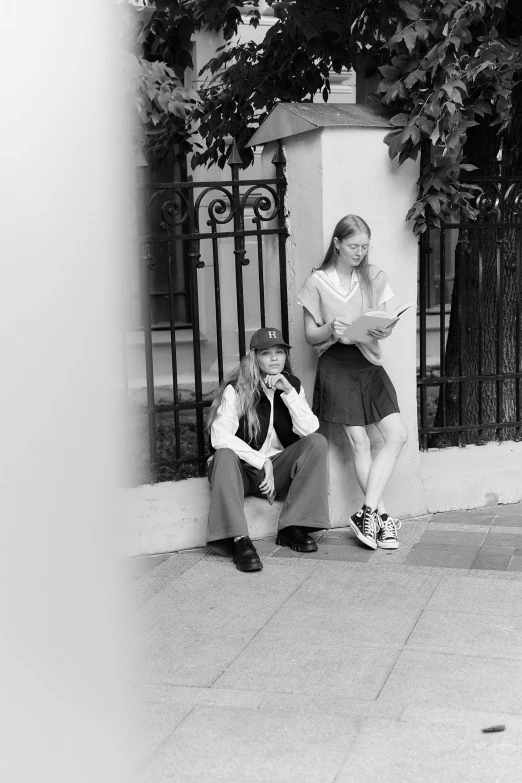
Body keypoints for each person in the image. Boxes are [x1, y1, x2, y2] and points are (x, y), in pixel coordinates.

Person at [298, 214, 407, 551]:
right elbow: (309, 335)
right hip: (336, 365)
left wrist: (384, 327)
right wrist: (332, 328)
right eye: (354, 246)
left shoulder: (374, 276)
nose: (360, 252)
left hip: (368, 364)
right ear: (337, 244)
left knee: (397, 435)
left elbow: (384, 323)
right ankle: (383, 519)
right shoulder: (317, 282)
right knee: (360, 443)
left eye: (365, 246)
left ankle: (368, 513)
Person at [206, 327, 330, 572]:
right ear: (255, 357)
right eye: (266, 353)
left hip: (275, 473)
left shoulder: (291, 384)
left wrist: (289, 393)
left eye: (279, 352)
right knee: (224, 454)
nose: (274, 358)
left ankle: (293, 527)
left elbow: (310, 429)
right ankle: (239, 539)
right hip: (240, 472)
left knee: (318, 443)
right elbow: (219, 436)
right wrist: (262, 461)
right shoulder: (237, 389)